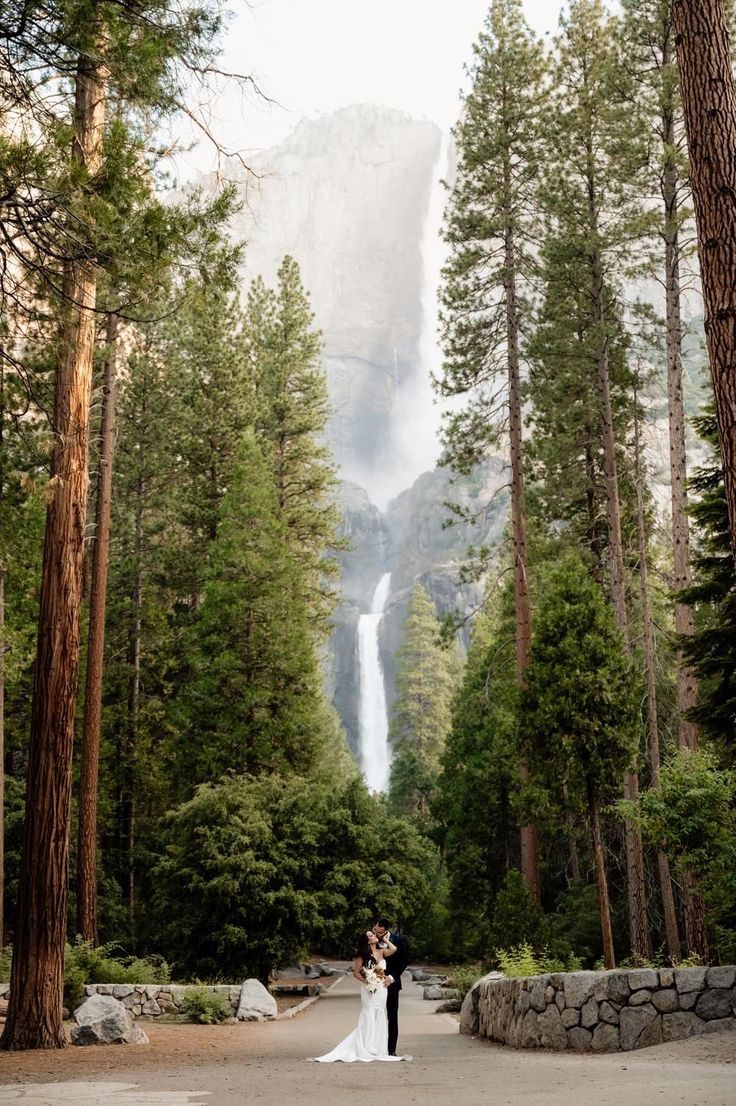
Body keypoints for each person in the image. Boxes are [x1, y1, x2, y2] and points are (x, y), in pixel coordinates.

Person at [313, 930, 410, 1062]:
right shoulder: (363, 955)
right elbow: (356, 973)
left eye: (374, 934)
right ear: (367, 941)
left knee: (380, 1013)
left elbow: (394, 949)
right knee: (369, 1012)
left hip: (382, 989)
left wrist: (386, 940)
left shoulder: (381, 951)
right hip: (369, 988)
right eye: (371, 935)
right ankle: (366, 1046)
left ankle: (378, 1047)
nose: (375, 936)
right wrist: (368, 981)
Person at [374, 918, 409, 1056]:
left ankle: (391, 1050)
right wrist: (379, 977)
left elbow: (404, 962)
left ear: (386, 930)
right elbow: (369, 961)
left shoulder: (398, 941)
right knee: (375, 1015)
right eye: (376, 931)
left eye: (380, 932)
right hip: (376, 983)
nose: (377, 934)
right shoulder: (371, 941)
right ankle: (375, 1047)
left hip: (393, 984)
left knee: (392, 1017)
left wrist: (391, 978)